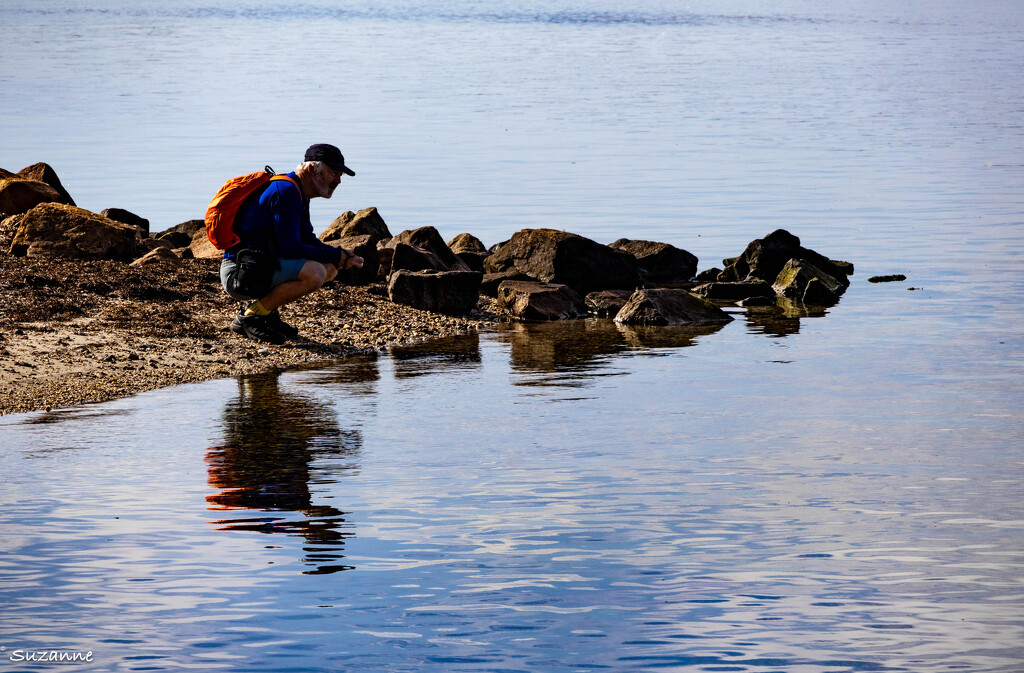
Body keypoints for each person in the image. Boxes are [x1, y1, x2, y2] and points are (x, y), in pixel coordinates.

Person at [220, 143, 364, 344]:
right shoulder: (287, 192)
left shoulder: (298, 191)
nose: (338, 180)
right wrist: (335, 255)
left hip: (256, 267)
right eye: (334, 173)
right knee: (316, 273)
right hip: (240, 273)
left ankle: (268, 313)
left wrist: (340, 254)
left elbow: (306, 238)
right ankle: (251, 317)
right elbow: (290, 248)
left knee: (329, 268)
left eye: (340, 175)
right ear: (312, 169)